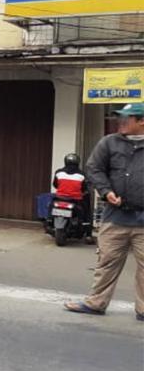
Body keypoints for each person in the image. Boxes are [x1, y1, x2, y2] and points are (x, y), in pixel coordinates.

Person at [64, 102, 144, 321]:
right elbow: (94, 168)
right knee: (106, 262)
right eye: (120, 117)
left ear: (141, 121)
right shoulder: (109, 142)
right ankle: (96, 303)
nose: (121, 121)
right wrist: (106, 191)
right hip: (115, 218)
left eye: (127, 118)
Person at [52, 152, 91, 232]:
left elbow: (55, 185)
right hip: (75, 200)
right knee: (85, 209)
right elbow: (84, 189)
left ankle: (49, 220)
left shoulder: (58, 172)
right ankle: (87, 229)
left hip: (59, 198)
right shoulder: (82, 174)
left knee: (50, 205)